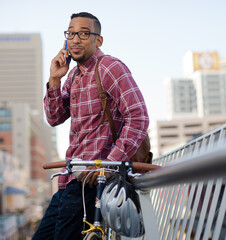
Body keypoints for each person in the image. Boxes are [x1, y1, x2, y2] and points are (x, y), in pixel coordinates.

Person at [32, 12, 149, 239]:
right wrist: (55, 79)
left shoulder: (110, 67)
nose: (75, 39)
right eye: (71, 33)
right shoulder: (73, 75)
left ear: (98, 40)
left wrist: (107, 164)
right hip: (69, 181)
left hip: (94, 182)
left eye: (84, 33)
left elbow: (139, 117)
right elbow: (54, 118)